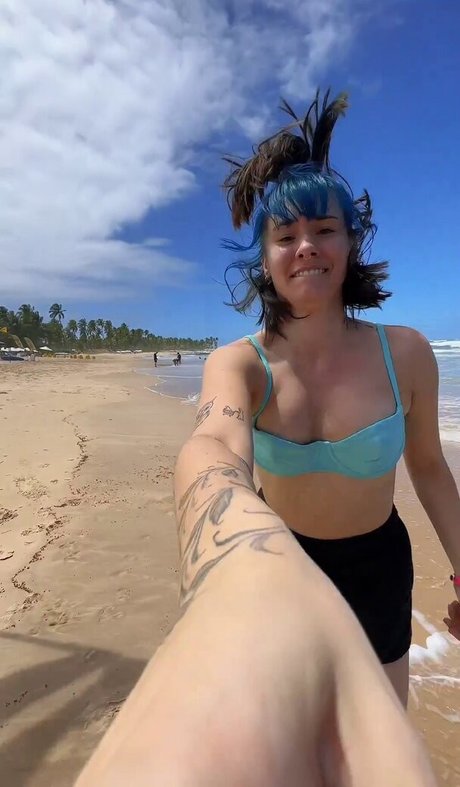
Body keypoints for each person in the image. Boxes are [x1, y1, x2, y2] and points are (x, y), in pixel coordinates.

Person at [189, 89, 459, 708]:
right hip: (277, 563)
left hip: (377, 570)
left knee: (378, 735)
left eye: (324, 229)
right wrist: (210, 557)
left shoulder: (406, 353)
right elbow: (215, 449)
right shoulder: (239, 366)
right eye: (285, 234)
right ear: (265, 258)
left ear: (351, 243)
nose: (306, 245)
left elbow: (429, 469)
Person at [76, 440, 437, 785]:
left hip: (378, 574)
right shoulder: (250, 386)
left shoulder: (411, 386)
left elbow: (429, 467)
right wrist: (242, 562)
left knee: (373, 757)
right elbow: (217, 441)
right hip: (276, 555)